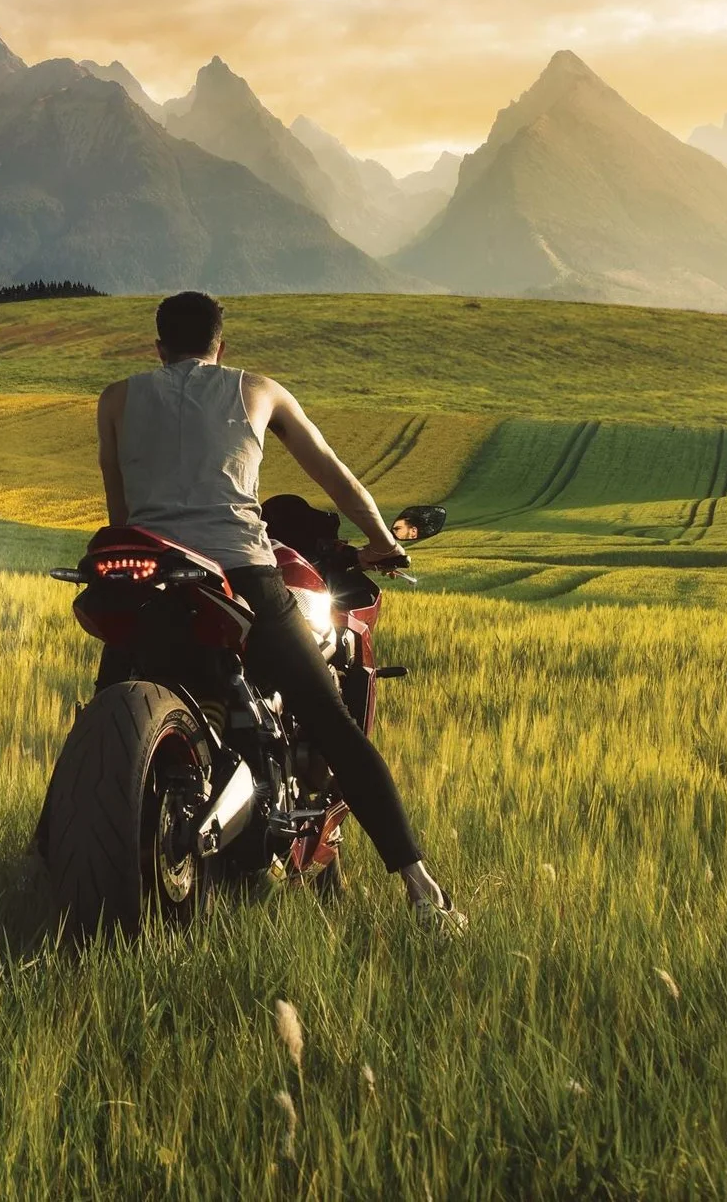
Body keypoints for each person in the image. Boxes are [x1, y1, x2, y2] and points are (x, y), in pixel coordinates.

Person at [96, 290, 464, 930]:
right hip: (240, 570)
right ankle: (423, 892)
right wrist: (382, 542)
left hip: (147, 574)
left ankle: (46, 852)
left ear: (158, 348)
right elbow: (333, 475)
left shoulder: (117, 398)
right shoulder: (257, 390)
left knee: (102, 712)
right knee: (332, 722)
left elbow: (120, 507)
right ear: (221, 346)